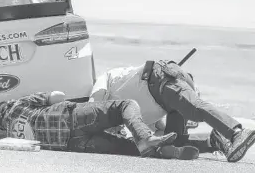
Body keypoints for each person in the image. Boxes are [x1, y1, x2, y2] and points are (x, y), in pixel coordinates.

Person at [89, 59, 255, 162]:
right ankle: (214, 141)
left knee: (195, 110)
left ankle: (236, 133)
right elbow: (160, 131)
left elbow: (93, 109)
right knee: (174, 141)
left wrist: (102, 129)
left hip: (160, 80)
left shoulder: (104, 81)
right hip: (165, 98)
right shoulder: (131, 114)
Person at [0, 90, 204, 159]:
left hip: (73, 145)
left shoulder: (11, 137)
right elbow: (58, 96)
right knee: (124, 106)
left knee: (127, 148)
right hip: (72, 117)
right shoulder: (19, 104)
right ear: (8, 105)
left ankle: (168, 152)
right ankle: (146, 137)